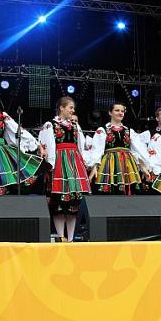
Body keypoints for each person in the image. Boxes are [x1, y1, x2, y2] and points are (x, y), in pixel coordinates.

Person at [39, 97, 91, 241]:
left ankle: (71, 238)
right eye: (70, 107)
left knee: (73, 204)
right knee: (59, 204)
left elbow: (80, 146)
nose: (72, 110)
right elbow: (46, 145)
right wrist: (49, 165)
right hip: (59, 162)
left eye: (73, 108)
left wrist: (83, 162)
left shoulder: (75, 126)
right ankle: (61, 237)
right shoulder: (51, 124)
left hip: (73, 163)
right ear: (61, 108)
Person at [87, 102, 151, 194]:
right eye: (117, 110)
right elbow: (97, 151)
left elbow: (137, 151)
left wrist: (143, 168)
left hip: (127, 164)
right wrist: (94, 167)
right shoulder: (103, 130)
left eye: (122, 111)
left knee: (129, 190)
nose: (120, 113)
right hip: (109, 163)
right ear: (110, 112)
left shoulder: (129, 131)